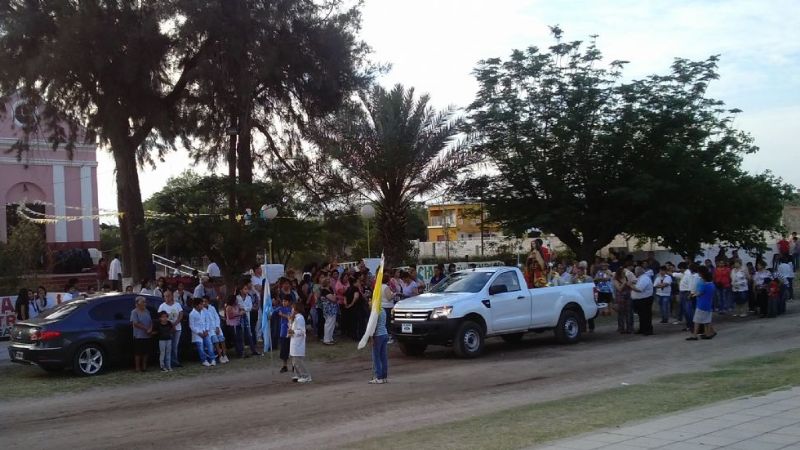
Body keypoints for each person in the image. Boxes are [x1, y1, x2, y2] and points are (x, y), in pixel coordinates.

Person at [687, 266, 717, 340]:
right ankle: (709, 333)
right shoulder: (711, 284)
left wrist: (692, 296)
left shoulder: (704, 284)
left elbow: (699, 293)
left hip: (701, 304)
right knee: (706, 320)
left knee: (697, 320)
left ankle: (694, 335)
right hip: (708, 304)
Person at [158, 289, 184, 368]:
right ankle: (168, 363)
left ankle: (175, 361)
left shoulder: (177, 305)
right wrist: (170, 325)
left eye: (168, 296)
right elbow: (160, 317)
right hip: (167, 330)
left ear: (172, 296)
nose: (167, 298)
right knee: (167, 347)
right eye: (165, 296)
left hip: (177, 328)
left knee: (175, 346)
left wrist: (175, 323)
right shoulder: (162, 306)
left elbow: (181, 314)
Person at [288, 302, 311, 383]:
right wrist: (290, 321)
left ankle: (306, 376)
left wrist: (293, 331)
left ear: (296, 309)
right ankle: (299, 375)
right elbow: (291, 328)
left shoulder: (300, 318)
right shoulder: (294, 318)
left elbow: (301, 331)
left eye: (293, 308)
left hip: (298, 342)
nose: (291, 310)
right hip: (293, 342)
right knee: (294, 361)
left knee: (298, 361)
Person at [189, 298, 216, 367]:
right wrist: (199, 333)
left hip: (205, 331)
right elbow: (192, 326)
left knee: (210, 345)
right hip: (198, 333)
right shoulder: (192, 314)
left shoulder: (204, 311)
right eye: (201, 304)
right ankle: (204, 360)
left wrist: (206, 330)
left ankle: (213, 359)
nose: (202, 305)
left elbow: (207, 321)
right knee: (201, 347)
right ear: (196, 305)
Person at [236, 284, 261, 356]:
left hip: (246, 316)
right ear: (241, 290)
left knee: (249, 334)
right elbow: (237, 306)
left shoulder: (249, 297)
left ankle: (253, 350)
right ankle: (241, 352)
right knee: (240, 335)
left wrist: (244, 309)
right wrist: (242, 308)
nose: (246, 291)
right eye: (245, 289)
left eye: (247, 289)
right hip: (238, 318)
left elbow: (250, 307)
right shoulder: (237, 298)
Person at [629, 266, 654, 336]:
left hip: (645, 300)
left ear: (639, 272)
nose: (634, 273)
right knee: (641, 316)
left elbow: (639, 289)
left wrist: (630, 285)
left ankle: (648, 330)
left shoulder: (645, 278)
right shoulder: (641, 278)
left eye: (635, 272)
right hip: (640, 300)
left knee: (646, 316)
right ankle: (642, 329)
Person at [369, 299, 390, 384]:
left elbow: (373, 325)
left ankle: (379, 377)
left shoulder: (375, 311)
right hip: (384, 333)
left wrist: (371, 338)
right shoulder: (383, 310)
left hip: (378, 335)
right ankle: (384, 377)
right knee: (383, 356)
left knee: (376, 357)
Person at [130, 296, 153, 372]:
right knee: (138, 352)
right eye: (143, 302)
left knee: (146, 352)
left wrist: (150, 328)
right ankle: (137, 367)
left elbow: (150, 321)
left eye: (145, 302)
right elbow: (135, 323)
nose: (144, 303)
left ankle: (144, 367)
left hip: (147, 335)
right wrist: (146, 329)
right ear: (137, 303)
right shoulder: (134, 312)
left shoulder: (147, 311)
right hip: (138, 335)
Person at [203, 296, 228, 363]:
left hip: (217, 327)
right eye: (203, 301)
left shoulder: (212, 308)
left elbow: (217, 317)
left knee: (222, 340)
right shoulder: (202, 310)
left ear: (208, 302)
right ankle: (220, 356)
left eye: (205, 301)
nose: (204, 303)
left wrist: (217, 327)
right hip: (210, 329)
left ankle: (225, 355)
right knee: (216, 341)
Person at [612, 268, 633, 334]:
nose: (624, 273)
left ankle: (629, 328)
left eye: (624, 272)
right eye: (623, 272)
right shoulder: (616, 280)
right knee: (621, 313)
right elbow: (619, 289)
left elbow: (630, 287)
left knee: (629, 313)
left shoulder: (626, 278)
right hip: (620, 298)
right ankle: (621, 328)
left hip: (628, 297)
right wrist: (624, 283)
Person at [276, 295, 293, 373]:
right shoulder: (280, 308)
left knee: (292, 349)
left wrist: (283, 315)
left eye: (285, 301)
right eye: (283, 301)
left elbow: (291, 317)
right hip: (283, 332)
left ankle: (294, 365)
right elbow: (273, 312)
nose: (283, 302)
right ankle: (284, 365)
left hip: (291, 331)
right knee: (284, 350)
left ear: (289, 302)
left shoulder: (292, 309)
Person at [320, 275, 338, 345]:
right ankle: (326, 339)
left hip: (332, 309)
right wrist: (335, 296)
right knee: (328, 324)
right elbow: (333, 299)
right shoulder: (324, 291)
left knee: (332, 324)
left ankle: (330, 338)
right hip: (329, 309)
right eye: (329, 281)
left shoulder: (329, 289)